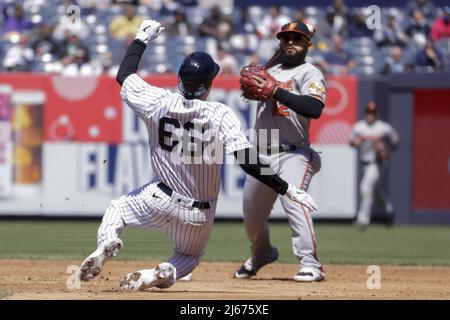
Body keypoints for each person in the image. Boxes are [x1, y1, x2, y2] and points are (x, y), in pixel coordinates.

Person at [78, 20, 317, 290]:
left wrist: (142, 38)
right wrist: (285, 188)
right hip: (198, 214)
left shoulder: (157, 100)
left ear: (180, 78)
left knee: (116, 210)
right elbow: (246, 160)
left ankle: (107, 241)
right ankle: (155, 275)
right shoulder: (220, 113)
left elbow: (124, 74)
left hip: (158, 197)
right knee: (188, 258)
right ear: (209, 84)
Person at [235, 21, 327, 282]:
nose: (290, 43)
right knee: (252, 216)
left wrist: (275, 90)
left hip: (293, 153)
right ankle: (261, 253)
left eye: (297, 39)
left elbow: (314, 108)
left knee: (294, 200)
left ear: (308, 45)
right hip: (261, 153)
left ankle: (310, 264)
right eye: (286, 38)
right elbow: (268, 73)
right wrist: (269, 82)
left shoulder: (310, 73)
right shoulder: (269, 70)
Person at [349, 102, 399, 230]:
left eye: (373, 112)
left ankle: (363, 220)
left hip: (378, 163)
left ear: (377, 114)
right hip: (365, 164)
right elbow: (351, 142)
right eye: (368, 112)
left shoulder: (383, 128)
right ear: (365, 113)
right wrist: (357, 142)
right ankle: (389, 210)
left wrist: (386, 150)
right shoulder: (359, 127)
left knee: (365, 187)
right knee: (375, 192)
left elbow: (395, 140)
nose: (370, 115)